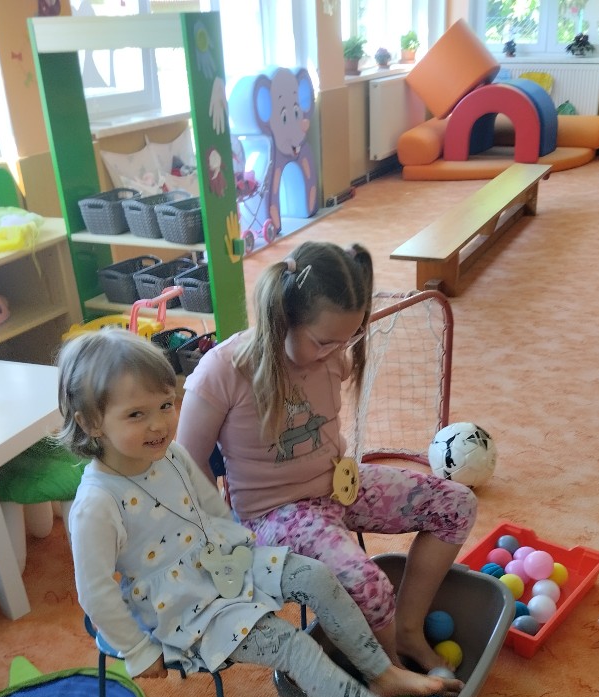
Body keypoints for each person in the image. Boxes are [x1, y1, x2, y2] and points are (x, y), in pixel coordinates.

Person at [56, 329, 463, 697]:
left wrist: (244, 552)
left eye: (165, 405)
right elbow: (94, 592)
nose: (158, 424)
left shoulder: (170, 454)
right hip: (180, 608)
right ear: (91, 422)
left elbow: (211, 507)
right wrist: (137, 650)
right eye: (136, 414)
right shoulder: (96, 504)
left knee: (317, 575)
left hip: (221, 562)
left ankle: (382, 673)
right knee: (292, 645)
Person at [176, 240, 478, 674]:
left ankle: (408, 630)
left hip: (339, 485)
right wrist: (223, 536)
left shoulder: (333, 356)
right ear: (283, 317)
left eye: (347, 339)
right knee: (369, 585)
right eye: (323, 341)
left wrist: (330, 347)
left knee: (457, 504)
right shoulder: (222, 371)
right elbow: (188, 462)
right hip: (273, 514)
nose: (337, 352)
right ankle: (390, 671)